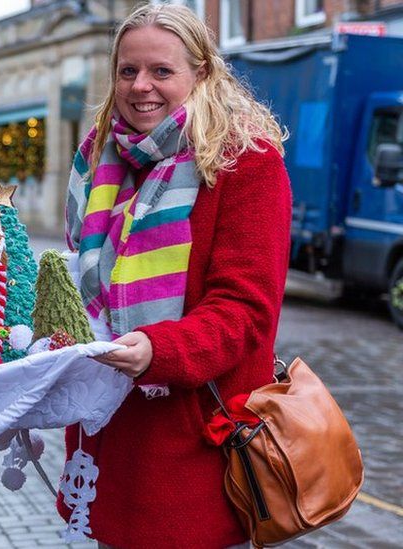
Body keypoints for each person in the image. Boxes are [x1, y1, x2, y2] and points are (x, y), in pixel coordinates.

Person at [57, 4, 291, 548]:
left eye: (162, 71)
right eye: (127, 71)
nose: (142, 86)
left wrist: (155, 350)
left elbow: (245, 311)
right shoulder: (97, 158)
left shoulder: (245, 159)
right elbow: (79, 288)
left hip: (193, 443)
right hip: (108, 433)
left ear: (202, 73)